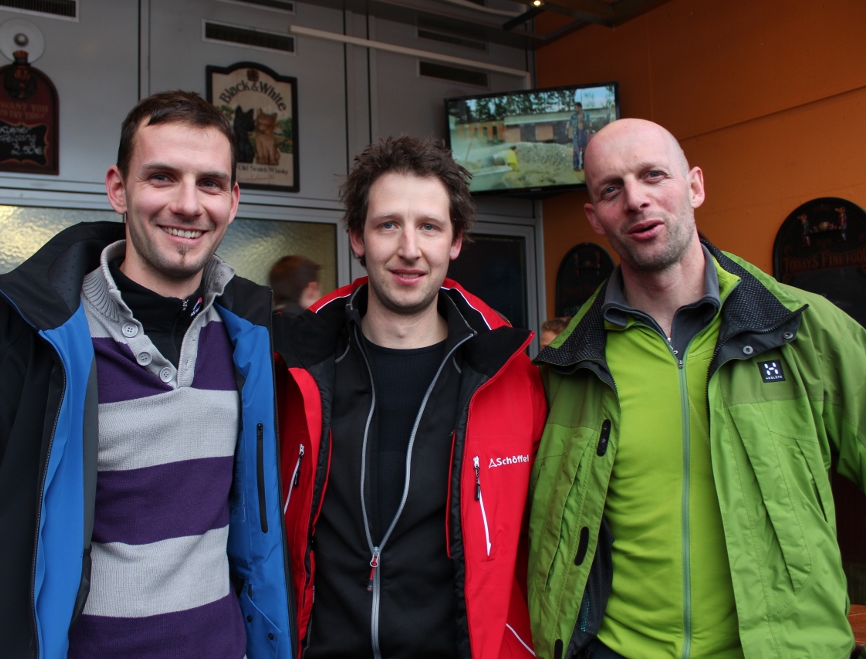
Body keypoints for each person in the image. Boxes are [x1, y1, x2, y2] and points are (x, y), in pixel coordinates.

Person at [0, 91, 294, 659]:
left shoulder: (253, 339)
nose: (188, 204)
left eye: (210, 183)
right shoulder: (13, 339)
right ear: (118, 188)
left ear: (233, 200)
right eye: (162, 177)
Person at [528, 118, 866, 659]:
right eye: (611, 189)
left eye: (653, 175)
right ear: (595, 217)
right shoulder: (567, 362)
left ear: (695, 187)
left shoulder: (803, 327)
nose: (636, 200)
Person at [273, 135, 547, 658]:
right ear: (357, 237)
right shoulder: (293, 372)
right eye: (388, 225)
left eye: (429, 226)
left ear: (455, 241)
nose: (409, 249)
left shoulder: (512, 378)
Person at [567, 102, 591, 171]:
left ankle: (584, 165)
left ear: (580, 107)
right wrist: (568, 130)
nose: (575, 109)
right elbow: (570, 124)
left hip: (584, 134)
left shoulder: (587, 115)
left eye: (576, 107)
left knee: (585, 151)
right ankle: (576, 166)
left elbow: (590, 123)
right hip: (576, 134)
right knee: (576, 151)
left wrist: (589, 128)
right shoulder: (573, 116)